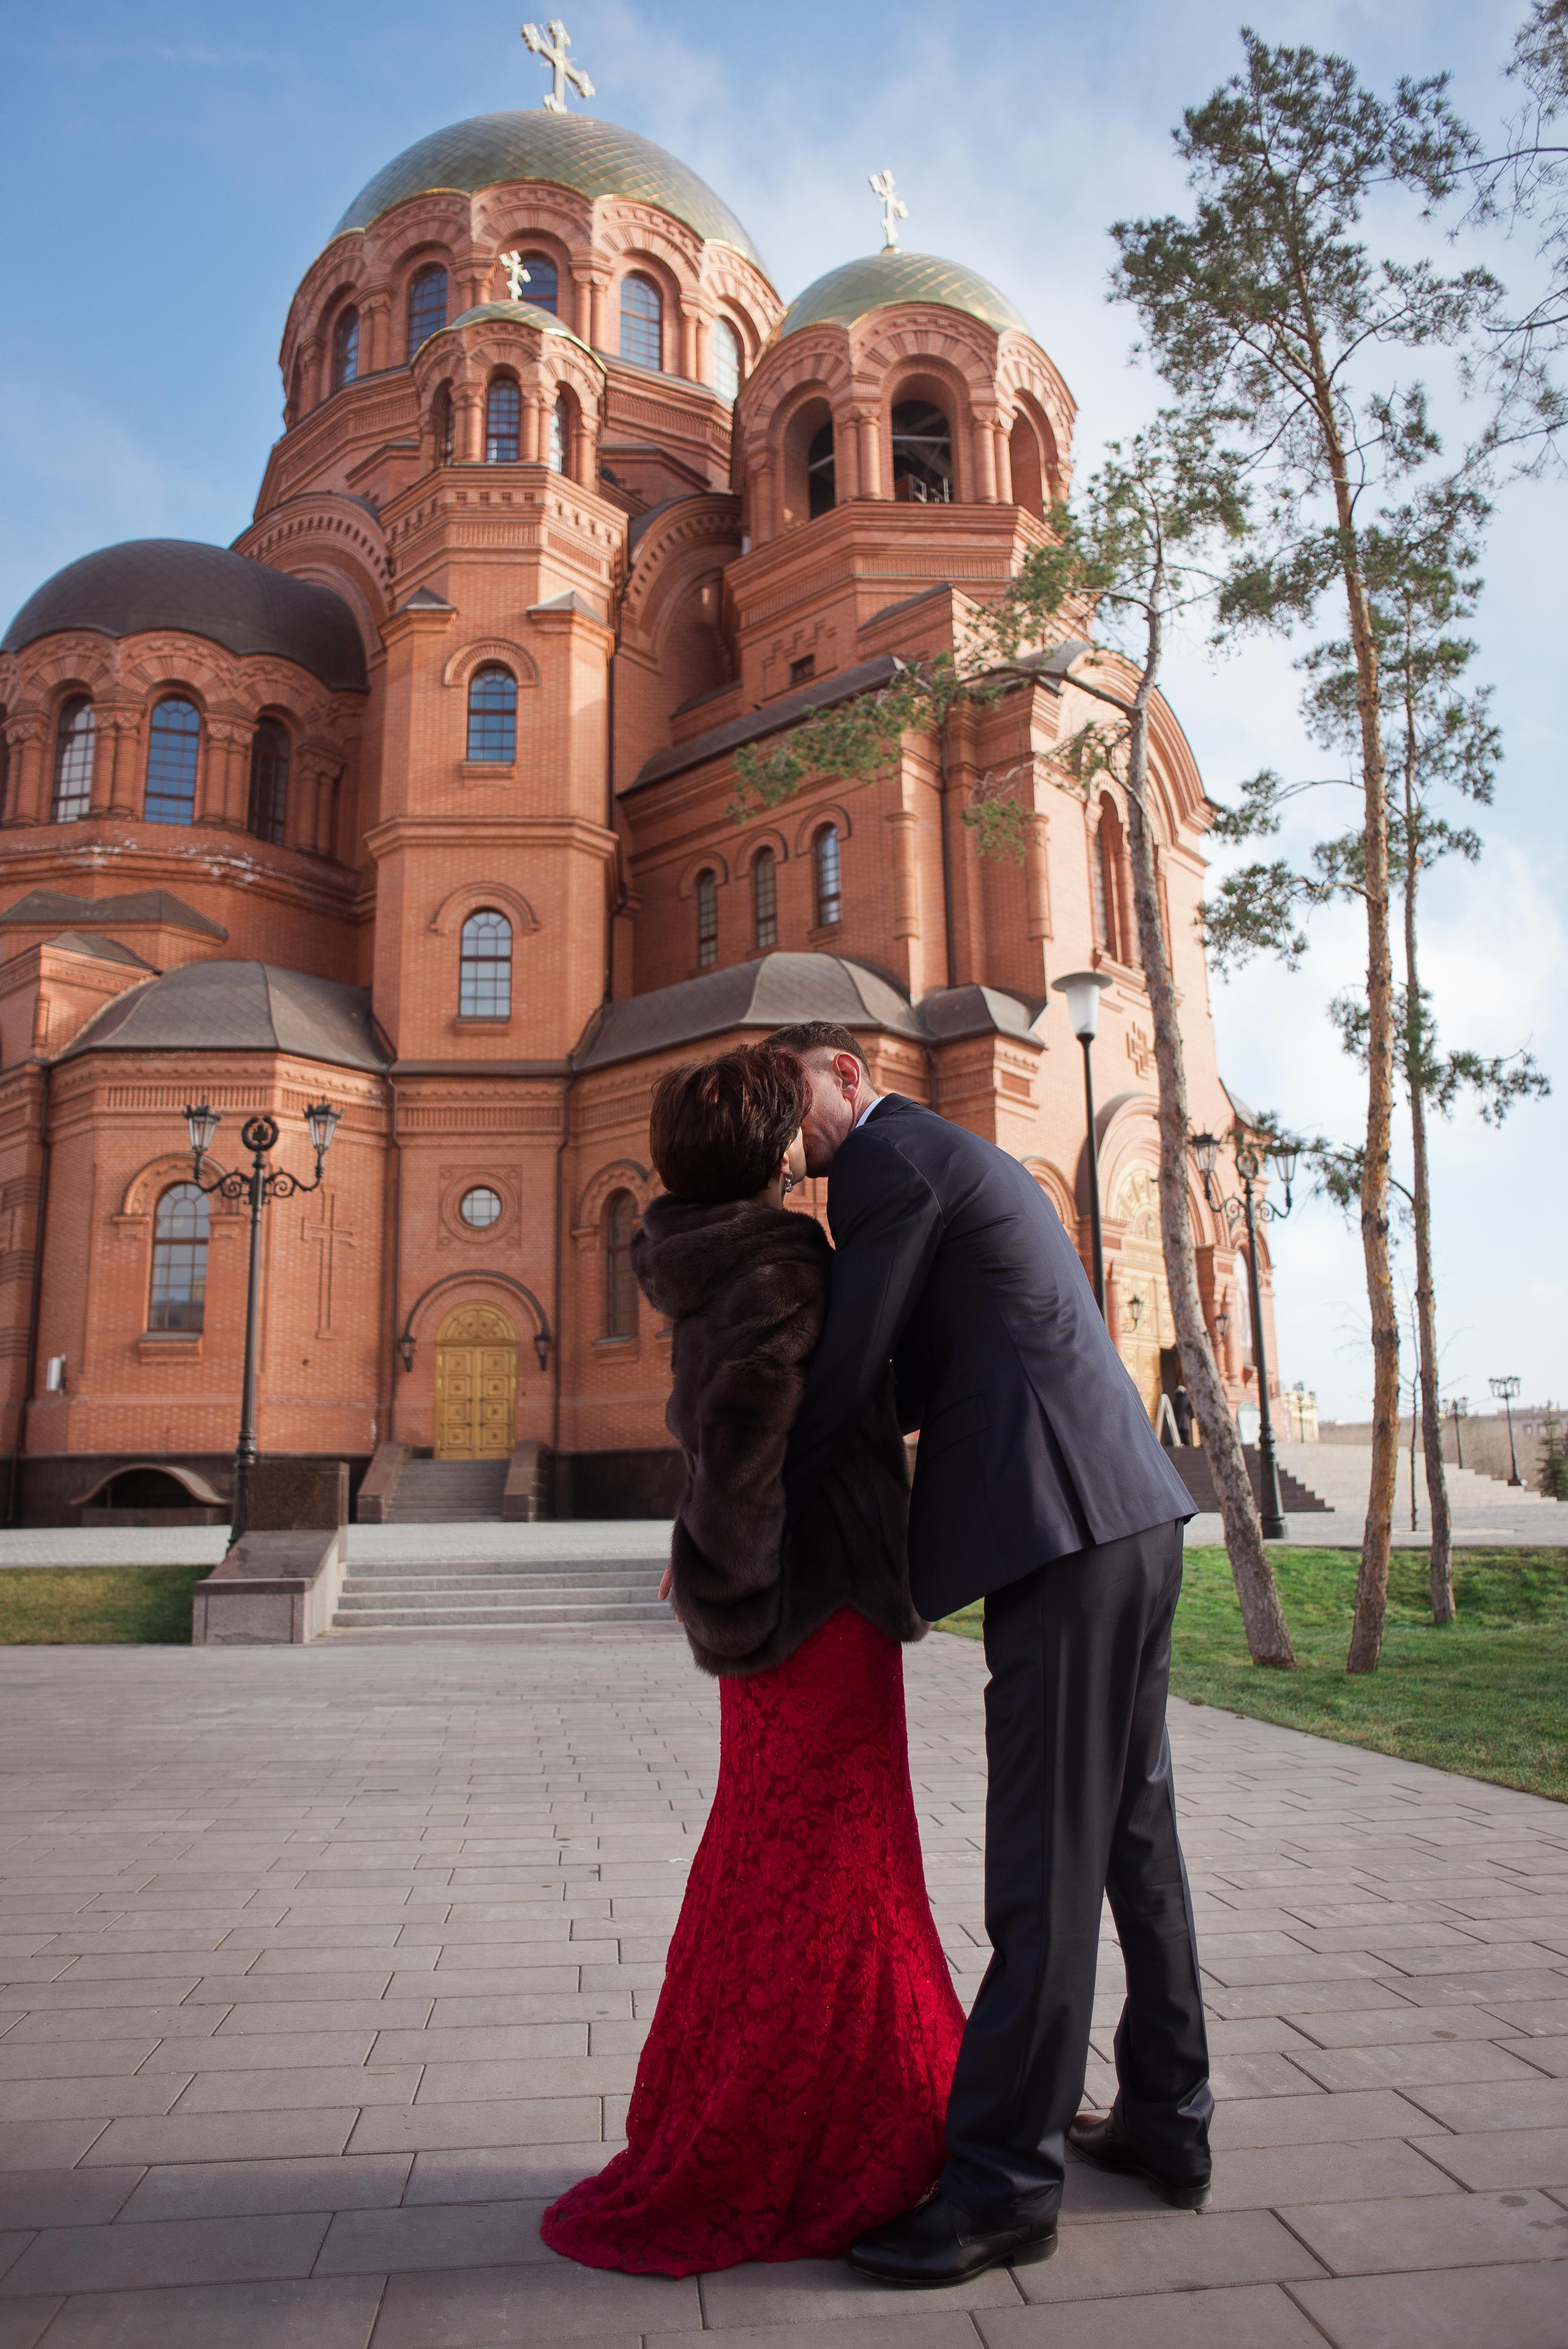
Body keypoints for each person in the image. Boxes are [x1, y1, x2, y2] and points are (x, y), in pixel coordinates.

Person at [767, 1020, 1213, 2288]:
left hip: (1062, 1531)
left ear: (848, 1074)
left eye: (793, 1098)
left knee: (1044, 1868)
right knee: (1131, 1832)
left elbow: (853, 1370)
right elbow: (917, 1370)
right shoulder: (948, 1165)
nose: (792, 1140)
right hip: (1124, 1517)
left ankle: (1002, 2188)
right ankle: (1166, 2121)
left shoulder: (885, 1162)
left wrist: (747, 1514)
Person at [540, 1043, 964, 2278]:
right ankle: (838, 2130)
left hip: (782, 1608)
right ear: (773, 1150)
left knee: (774, 1851)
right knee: (833, 1862)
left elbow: (723, 1430)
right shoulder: (781, 1260)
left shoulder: (699, 1255)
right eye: (791, 1130)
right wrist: (729, 1579)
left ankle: (750, 2107)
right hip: (811, 1606)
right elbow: (741, 1441)